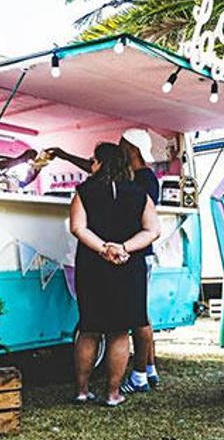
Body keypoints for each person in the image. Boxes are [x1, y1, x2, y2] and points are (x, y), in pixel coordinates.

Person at [48, 128, 162, 391]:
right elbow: (152, 229)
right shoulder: (138, 190)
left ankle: (83, 391)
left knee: (90, 329)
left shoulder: (85, 191)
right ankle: (115, 392)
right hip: (128, 261)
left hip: (93, 263)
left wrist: (102, 248)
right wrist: (121, 248)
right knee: (121, 330)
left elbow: (77, 227)